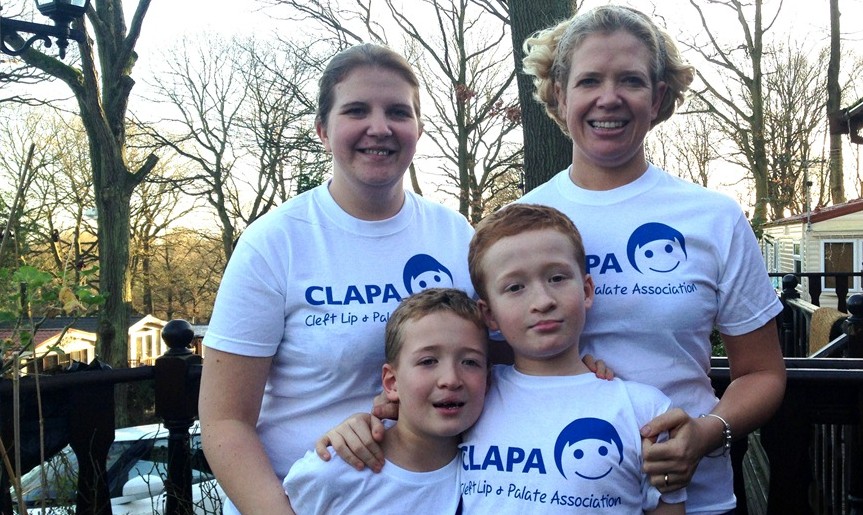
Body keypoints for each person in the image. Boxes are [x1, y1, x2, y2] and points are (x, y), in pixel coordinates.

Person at [519, 5, 786, 513]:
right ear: (558, 93)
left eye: (631, 80)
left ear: (659, 96)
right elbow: (488, 359)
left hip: (696, 498)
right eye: (589, 80)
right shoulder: (518, 222)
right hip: (554, 493)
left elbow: (762, 373)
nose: (609, 97)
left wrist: (707, 433)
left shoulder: (714, 218)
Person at [197, 43, 476, 515]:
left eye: (397, 112)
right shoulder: (275, 242)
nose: (380, 128)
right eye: (357, 111)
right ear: (323, 131)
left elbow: (494, 364)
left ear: (418, 129)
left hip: (435, 497)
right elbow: (225, 421)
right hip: (309, 500)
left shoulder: (457, 235)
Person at [459, 203, 685, 514]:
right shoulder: (468, 398)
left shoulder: (646, 412)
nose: (542, 301)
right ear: (489, 314)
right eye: (515, 287)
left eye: (557, 278)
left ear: (587, 290)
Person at [283, 288, 488, 514]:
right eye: (428, 361)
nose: (450, 379)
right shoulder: (331, 472)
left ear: (489, 379)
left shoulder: (494, 473)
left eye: (470, 362)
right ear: (392, 383)